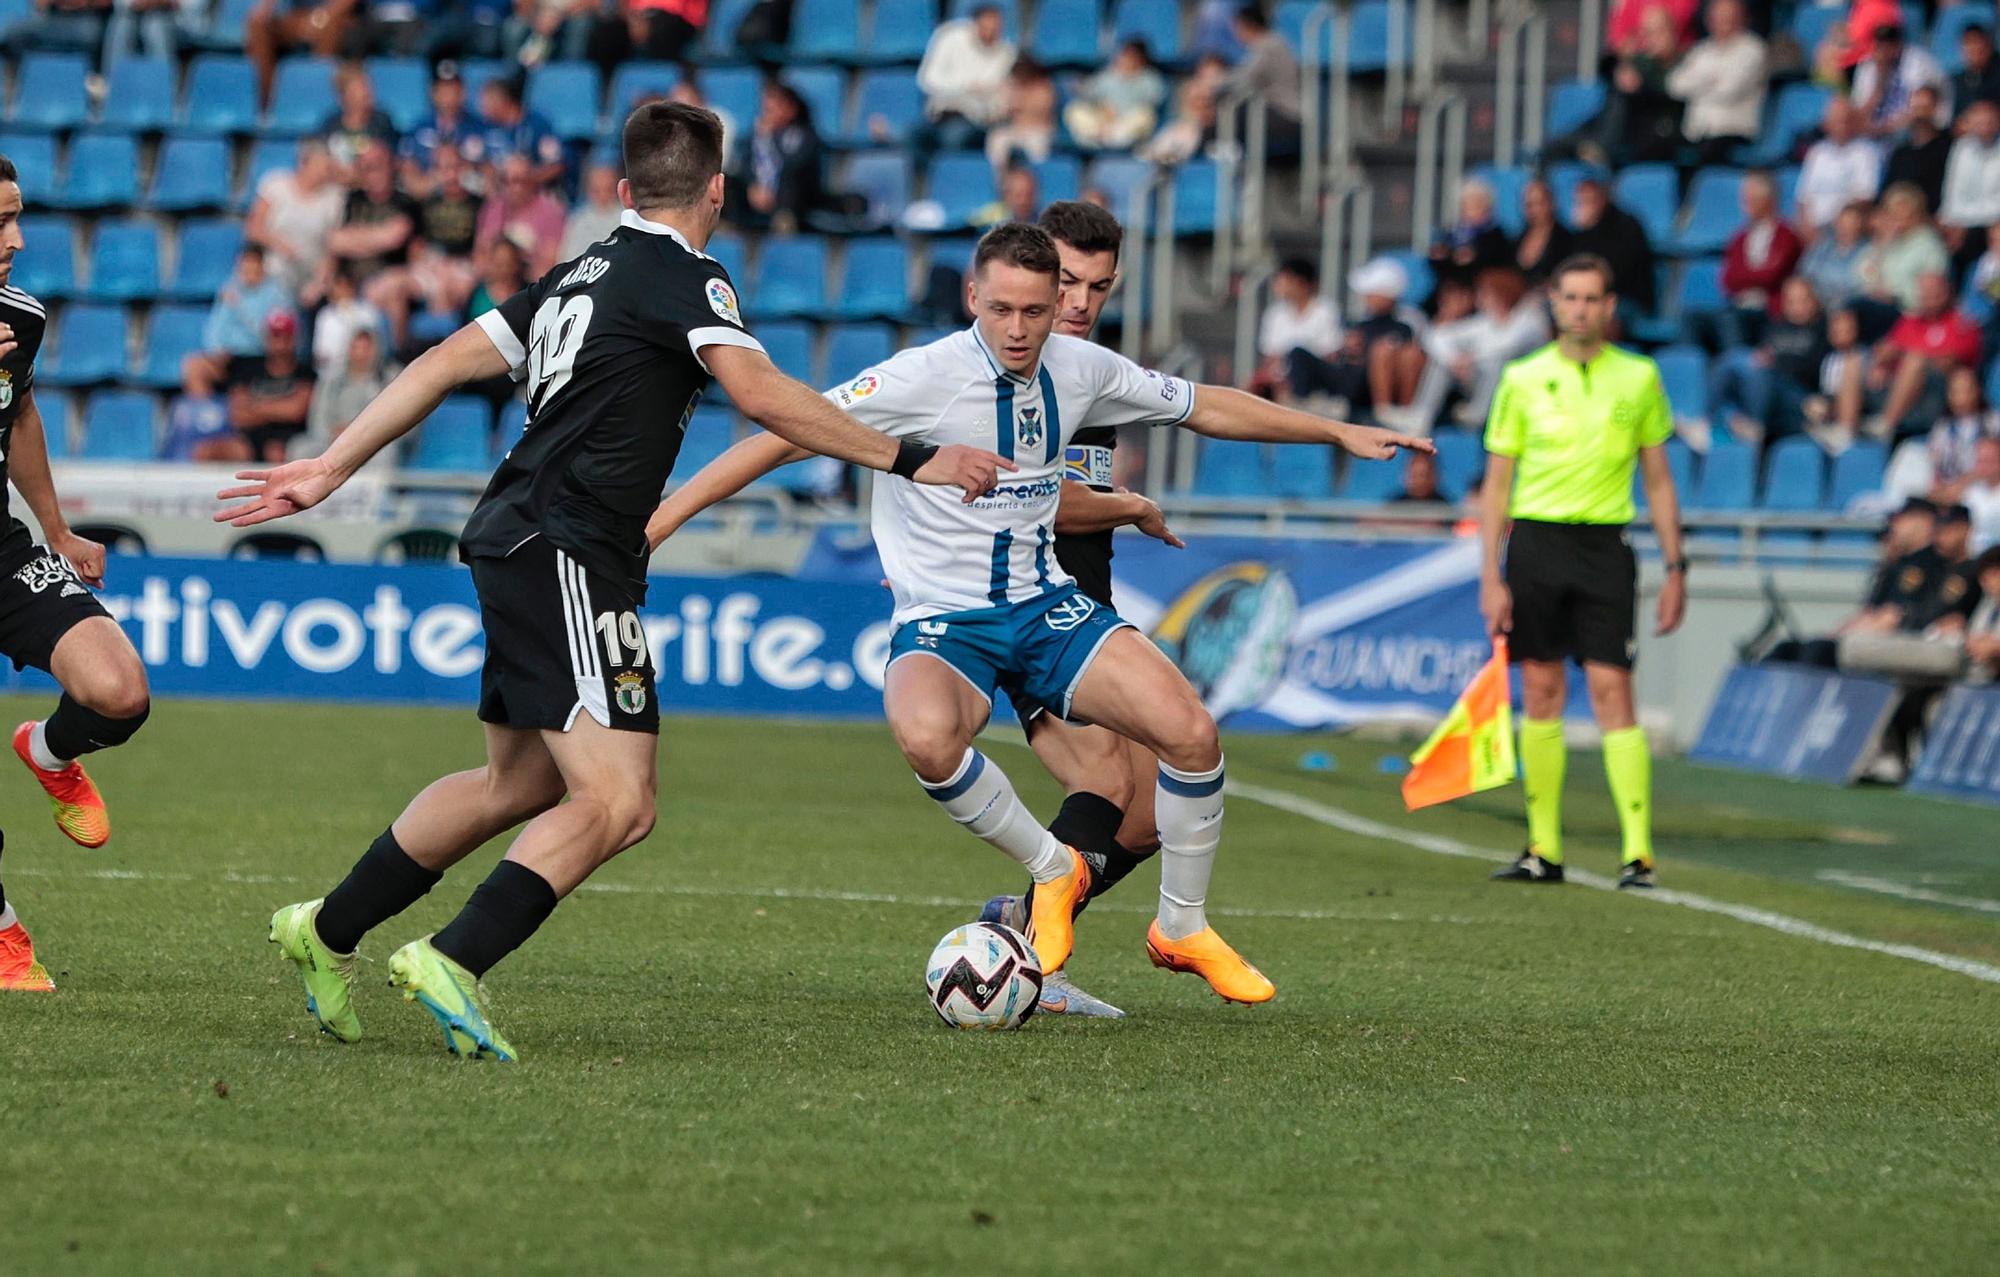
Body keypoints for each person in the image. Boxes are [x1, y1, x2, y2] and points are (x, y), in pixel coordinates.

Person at [240, 101, 1008, 1060]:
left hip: (516, 537)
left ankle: (323, 930)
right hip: (567, 548)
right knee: (620, 800)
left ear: (620, 190)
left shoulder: (578, 271)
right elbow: (762, 395)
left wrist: (330, 464)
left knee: (513, 781)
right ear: (719, 191)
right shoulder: (685, 276)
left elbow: (442, 359)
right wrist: (911, 457)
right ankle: (453, 956)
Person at [642, 221, 1431, 1009]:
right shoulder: (923, 376)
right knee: (928, 737)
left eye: (1037, 311)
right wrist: (663, 520)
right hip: (946, 618)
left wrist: (1333, 430)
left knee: (1191, 734)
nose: (1020, 329)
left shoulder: (1083, 368)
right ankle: (1054, 872)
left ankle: (1181, 927)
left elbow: (1203, 406)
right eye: (1003, 311)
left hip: (1047, 604)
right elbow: (783, 432)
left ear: (1057, 305)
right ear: (974, 298)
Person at [1480, 253, 1687, 891]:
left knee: (1612, 693)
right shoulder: (1520, 377)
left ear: (1609, 305)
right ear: (1553, 302)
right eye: (1570, 297)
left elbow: (1657, 477)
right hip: (1537, 544)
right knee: (1541, 692)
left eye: (1592, 298)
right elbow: (1496, 487)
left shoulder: (1640, 377)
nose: (1580, 309)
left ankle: (1638, 854)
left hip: (1605, 548)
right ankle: (1544, 848)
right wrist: (1491, 574)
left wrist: (1677, 566)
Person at [0, 152, 155, 994]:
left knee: (120, 690)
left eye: (17, 216)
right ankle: (2, 934)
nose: (17, 239)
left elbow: (17, 410)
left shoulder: (20, 316)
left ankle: (49, 747)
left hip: (1, 549)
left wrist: (53, 527)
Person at [1400, 266, 1549, 432]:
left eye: (1484, 292)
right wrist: (1455, 360)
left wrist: (1471, 358)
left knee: (1495, 362)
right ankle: (1421, 417)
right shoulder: (1484, 321)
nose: (1479, 298)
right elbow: (1437, 336)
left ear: (1501, 293)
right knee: (1441, 363)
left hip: (1523, 387)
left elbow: (1508, 347)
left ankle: (1479, 414)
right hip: (1482, 382)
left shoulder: (1530, 319)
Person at [1709, 274, 1826, 446]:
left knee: (1755, 370)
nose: (1798, 307)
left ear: (1815, 300)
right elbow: (1763, 353)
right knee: (1731, 360)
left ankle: (1753, 427)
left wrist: (1775, 362)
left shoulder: (1822, 330)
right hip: (1767, 385)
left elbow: (1815, 366)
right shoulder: (1777, 327)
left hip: (1799, 394)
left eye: (1803, 300)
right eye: (1792, 301)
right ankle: (1708, 422)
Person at [1864, 270, 1982, 440]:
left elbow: (1950, 363)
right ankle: (1842, 429)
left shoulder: (1962, 322)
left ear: (1948, 291)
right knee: (1854, 361)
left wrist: (1909, 355)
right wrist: (1882, 364)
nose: (1931, 296)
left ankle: (1886, 425)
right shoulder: (1909, 321)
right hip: (1895, 386)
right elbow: (1884, 350)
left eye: (1936, 291)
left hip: (1939, 393)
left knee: (1915, 360)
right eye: (1925, 292)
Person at [1663, 0, 1766, 168]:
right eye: (1717, 18)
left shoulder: (1752, 49)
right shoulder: (1702, 50)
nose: (1722, 23)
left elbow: (1728, 91)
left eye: (1728, 18)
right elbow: (1674, 85)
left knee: (1706, 157)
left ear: (1742, 19)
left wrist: (1697, 83)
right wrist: (1711, 81)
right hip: (1696, 132)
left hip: (1733, 133)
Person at [182, 244, 293, 398]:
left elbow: (270, 336)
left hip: (258, 357)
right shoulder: (231, 289)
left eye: (252, 267)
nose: (247, 272)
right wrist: (216, 350)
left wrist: (240, 307)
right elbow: (215, 326)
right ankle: (207, 418)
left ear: (262, 266)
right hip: (229, 358)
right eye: (244, 268)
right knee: (194, 366)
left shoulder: (277, 295)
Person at [246, 138, 346, 304]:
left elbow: (333, 248)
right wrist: (282, 246)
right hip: (275, 265)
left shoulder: (335, 198)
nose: (325, 170)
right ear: (304, 163)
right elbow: (254, 228)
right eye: (321, 164)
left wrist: (319, 283)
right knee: (276, 277)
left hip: (312, 270)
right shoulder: (276, 185)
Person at [1711, 169, 1801, 350]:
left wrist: (1744, 276)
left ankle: (1738, 365)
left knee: (1729, 320)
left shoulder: (1786, 236)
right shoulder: (1739, 237)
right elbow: (1728, 280)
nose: (1744, 204)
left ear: (1768, 200)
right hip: (1740, 305)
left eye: (1750, 198)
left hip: (1769, 310)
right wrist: (1755, 274)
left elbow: (1771, 276)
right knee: (1693, 318)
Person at [725, 81, 825, 234]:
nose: (767, 114)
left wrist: (768, 143)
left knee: (792, 181)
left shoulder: (802, 135)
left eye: (773, 109)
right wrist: (753, 185)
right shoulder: (757, 136)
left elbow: (793, 165)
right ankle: (729, 226)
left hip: (790, 199)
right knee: (727, 180)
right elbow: (745, 164)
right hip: (757, 195)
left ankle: (785, 222)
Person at [915, 2, 1015, 155]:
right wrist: (967, 87)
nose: (992, 29)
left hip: (975, 122)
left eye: (996, 25)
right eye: (987, 23)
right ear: (975, 22)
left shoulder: (1007, 54)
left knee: (953, 139)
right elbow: (927, 79)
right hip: (938, 116)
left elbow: (1000, 99)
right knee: (912, 136)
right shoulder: (949, 36)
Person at [226, 309, 315, 462]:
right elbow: (237, 414)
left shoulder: (305, 373)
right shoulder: (248, 370)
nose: (280, 343)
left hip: (287, 439)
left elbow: (295, 410)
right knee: (210, 451)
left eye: (285, 337)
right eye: (276, 336)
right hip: (248, 439)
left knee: (275, 452)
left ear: (294, 338)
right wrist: (278, 409)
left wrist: (254, 407)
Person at [1249, 256, 1341, 401]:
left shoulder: (1325, 310)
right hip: (1282, 379)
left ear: (1301, 283)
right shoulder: (1275, 313)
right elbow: (1271, 356)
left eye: (1283, 281)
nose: (1277, 286)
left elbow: (1330, 355)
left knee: (1297, 355)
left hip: (1316, 381)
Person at [1567, 176, 1657, 315]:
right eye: (1580, 202)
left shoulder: (1626, 225)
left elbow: (1613, 273)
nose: (1583, 206)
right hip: (1590, 294)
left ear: (1603, 199)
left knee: (1594, 312)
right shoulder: (1581, 230)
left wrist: (1588, 230)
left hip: (1627, 298)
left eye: (1589, 201)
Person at [305, 326, 396, 461]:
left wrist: (361, 435)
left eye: (366, 349)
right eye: (356, 347)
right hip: (332, 441)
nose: (360, 354)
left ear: (377, 350)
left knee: (387, 452)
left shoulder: (391, 378)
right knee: (301, 448)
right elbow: (317, 420)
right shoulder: (330, 381)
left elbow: (397, 418)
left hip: (375, 441)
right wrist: (335, 435)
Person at [1222, 3, 1302, 157]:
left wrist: (1211, 83)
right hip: (1275, 113)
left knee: (1233, 111)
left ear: (1248, 25)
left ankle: (1219, 156)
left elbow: (1243, 78)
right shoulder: (1270, 43)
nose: (1236, 34)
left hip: (1287, 116)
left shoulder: (1269, 45)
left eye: (1237, 28)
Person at [1794, 99, 1884, 234]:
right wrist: (1807, 228)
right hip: (1814, 231)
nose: (1842, 126)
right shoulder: (1817, 152)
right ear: (1826, 124)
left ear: (1855, 122)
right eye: (1836, 121)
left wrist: (1839, 224)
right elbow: (1802, 200)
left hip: (1845, 230)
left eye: (1846, 120)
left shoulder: (1867, 152)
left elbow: (1865, 199)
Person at [247, 0, 358, 108]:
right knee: (258, 24)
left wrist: (320, 16)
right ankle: (265, 103)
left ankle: (318, 94)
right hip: (300, 16)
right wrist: (264, 8)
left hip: (336, 17)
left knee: (328, 24)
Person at [1851, 22, 1951, 139]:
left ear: (1899, 43)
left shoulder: (1919, 61)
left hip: (1911, 133)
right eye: (1881, 45)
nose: (1885, 50)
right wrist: (1880, 82)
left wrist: (1886, 129)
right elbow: (1860, 115)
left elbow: (1924, 106)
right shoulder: (1867, 66)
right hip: (1874, 136)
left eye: (1890, 43)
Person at [1064, 38, 1166, 151]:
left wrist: (1130, 81)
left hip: (1126, 124)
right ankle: (1098, 138)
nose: (1126, 59)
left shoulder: (1149, 79)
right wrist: (1101, 104)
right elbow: (1088, 94)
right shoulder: (1108, 75)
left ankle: (1112, 139)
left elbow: (1155, 100)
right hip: (1103, 121)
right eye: (1125, 55)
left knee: (1145, 115)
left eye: (1133, 56)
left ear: (1142, 59)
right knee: (1074, 109)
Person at [398, 62, 485, 195]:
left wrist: (463, 174)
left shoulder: (481, 128)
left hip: (471, 202)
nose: (449, 96)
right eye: (443, 89)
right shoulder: (417, 129)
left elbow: (491, 175)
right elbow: (408, 173)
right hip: (428, 203)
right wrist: (435, 180)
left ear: (463, 92)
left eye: (453, 89)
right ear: (433, 93)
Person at [477, 153, 567, 280]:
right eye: (506, 181)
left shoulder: (550, 212)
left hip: (529, 280)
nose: (513, 187)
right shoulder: (494, 208)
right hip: (496, 278)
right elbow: (481, 251)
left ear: (532, 181)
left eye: (519, 181)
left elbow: (549, 262)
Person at [1939, 99, 2000, 274]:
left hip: (1992, 220)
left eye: (1989, 122)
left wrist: (1966, 223)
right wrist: (1951, 222)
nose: (1984, 127)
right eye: (1979, 122)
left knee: (1976, 241)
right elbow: (1952, 190)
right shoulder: (1961, 148)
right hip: (1964, 220)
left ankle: (1982, 290)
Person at [475, 75, 566, 191]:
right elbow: (483, 162)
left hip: (534, 193)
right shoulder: (487, 128)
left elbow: (556, 165)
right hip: (499, 194)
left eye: (484, 102)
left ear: (502, 102)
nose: (480, 108)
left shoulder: (538, 125)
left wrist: (525, 181)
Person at [1427, 179, 1514, 288]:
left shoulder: (1495, 235)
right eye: (1466, 204)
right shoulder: (1452, 233)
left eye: (1475, 204)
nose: (1468, 209)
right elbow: (1439, 261)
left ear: (1487, 207)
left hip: (1481, 288)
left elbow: (1489, 262)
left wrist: (1470, 257)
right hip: (1452, 288)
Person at [321, 62, 398, 184]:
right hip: (337, 186)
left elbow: (390, 162)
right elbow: (323, 159)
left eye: (368, 86)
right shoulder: (331, 123)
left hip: (371, 188)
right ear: (343, 96)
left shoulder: (382, 121)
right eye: (360, 88)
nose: (367, 92)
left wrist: (358, 175)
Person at [1883, 86, 1951, 218]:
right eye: (1916, 108)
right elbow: (1889, 189)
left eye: (1924, 108)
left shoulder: (1947, 146)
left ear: (1935, 109)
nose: (1919, 115)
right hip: (1896, 217)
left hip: (1928, 217)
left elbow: (1945, 191)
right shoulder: (1900, 152)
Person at [984, 57, 1059, 171]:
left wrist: (1020, 101)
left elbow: (1040, 109)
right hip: (1016, 130)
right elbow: (1004, 109)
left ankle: (1037, 180)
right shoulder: (1013, 87)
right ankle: (1000, 179)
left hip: (1039, 132)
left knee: (1037, 150)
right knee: (997, 138)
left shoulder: (1044, 87)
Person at [1797, 199, 1870, 308]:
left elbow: (1861, 287)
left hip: (1849, 309)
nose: (1846, 229)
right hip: (1817, 306)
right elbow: (1805, 272)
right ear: (1836, 223)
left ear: (1860, 225)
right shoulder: (1823, 246)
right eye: (1843, 223)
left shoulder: (1868, 251)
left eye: (1852, 223)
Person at [1513, 176, 1574, 286]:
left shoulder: (1566, 240)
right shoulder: (1517, 239)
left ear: (1552, 202)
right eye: (1529, 205)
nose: (1535, 209)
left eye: (1540, 202)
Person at [559, 158, 624, 262]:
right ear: (588, 190)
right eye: (597, 190)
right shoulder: (578, 220)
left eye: (608, 189)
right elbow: (567, 259)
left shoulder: (627, 218)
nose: (603, 196)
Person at [1954, 22, 2000, 110]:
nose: (1974, 48)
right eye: (1968, 43)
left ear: (1989, 44)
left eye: (1977, 41)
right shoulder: (1958, 81)